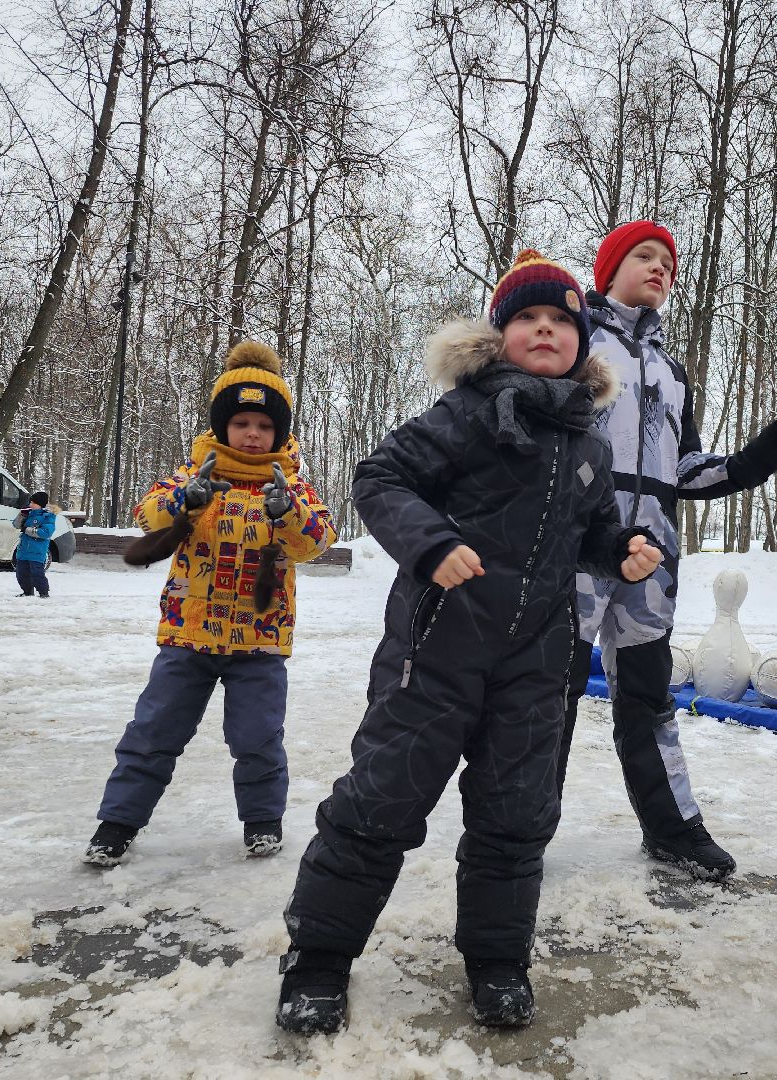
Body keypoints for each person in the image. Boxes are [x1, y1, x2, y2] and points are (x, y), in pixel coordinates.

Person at [275, 250, 663, 1036]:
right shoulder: (465, 414)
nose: (545, 330)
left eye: (561, 320)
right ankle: (318, 957)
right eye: (527, 319)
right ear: (500, 335)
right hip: (438, 650)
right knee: (378, 803)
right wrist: (430, 543)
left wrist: (620, 548)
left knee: (517, 817)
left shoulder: (588, 444)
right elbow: (381, 478)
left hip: (537, 665)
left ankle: (497, 960)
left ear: (582, 341)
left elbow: (587, 536)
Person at [562, 221, 777, 881]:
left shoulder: (673, 372)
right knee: (547, 692)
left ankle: (673, 829)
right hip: (579, 549)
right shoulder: (576, 342)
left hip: (652, 561)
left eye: (670, 265)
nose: (660, 269)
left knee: (648, 700)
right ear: (607, 269)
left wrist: (768, 452)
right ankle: (520, 825)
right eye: (644, 256)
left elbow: (690, 471)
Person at [82, 340, 337, 867]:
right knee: (153, 731)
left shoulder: (292, 487)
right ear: (223, 427)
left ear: (279, 433)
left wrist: (288, 514)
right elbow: (148, 517)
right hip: (187, 634)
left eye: (264, 426)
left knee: (258, 738)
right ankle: (117, 824)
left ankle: (262, 822)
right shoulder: (193, 475)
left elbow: (317, 543)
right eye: (242, 422)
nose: (252, 433)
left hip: (259, 640)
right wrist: (184, 502)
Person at [12, 492, 56, 597]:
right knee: (21, 574)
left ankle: (43, 593)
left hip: (37, 552)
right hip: (23, 550)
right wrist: (21, 514)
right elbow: (16, 525)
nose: (30, 504)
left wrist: (27, 529)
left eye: (33, 503)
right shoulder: (29, 514)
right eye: (30, 502)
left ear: (40, 504)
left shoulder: (47, 517)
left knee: (37, 574)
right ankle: (27, 592)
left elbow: (45, 533)